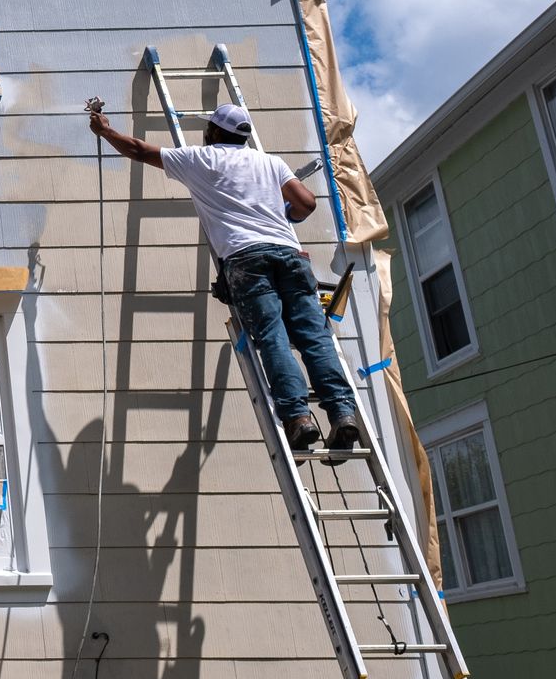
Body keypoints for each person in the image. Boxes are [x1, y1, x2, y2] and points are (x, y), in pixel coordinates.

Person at [88, 100, 361, 460]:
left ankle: (298, 416)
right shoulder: (270, 162)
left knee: (272, 337)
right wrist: (284, 214)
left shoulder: (202, 159)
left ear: (214, 132)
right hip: (290, 256)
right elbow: (306, 204)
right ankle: (342, 413)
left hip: (246, 259)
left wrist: (105, 130)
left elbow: (138, 150)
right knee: (314, 337)